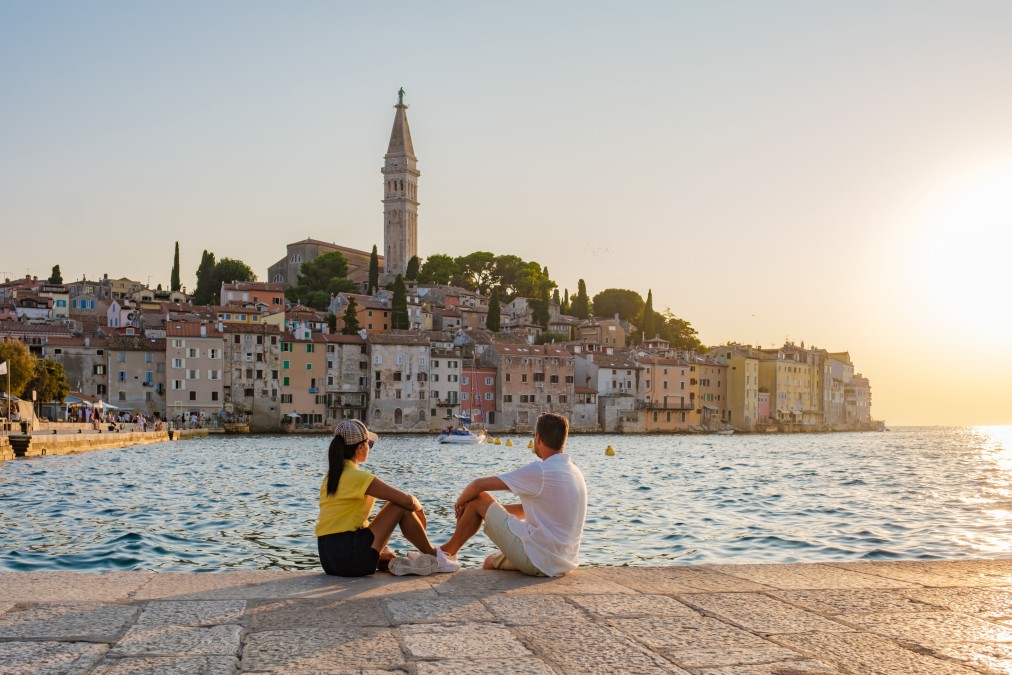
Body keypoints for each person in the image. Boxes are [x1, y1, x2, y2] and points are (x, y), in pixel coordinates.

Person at [436, 412, 587, 577]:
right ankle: (446, 553)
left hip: (540, 559)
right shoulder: (574, 471)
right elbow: (528, 509)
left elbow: (477, 485)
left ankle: (444, 554)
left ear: (538, 438)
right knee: (489, 562)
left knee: (479, 498)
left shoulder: (541, 470)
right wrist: (484, 511)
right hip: (562, 562)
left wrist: (460, 504)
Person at [316, 419, 451, 577]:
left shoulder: (330, 478)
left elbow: (349, 523)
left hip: (328, 559)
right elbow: (406, 500)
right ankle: (434, 556)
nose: (370, 448)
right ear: (360, 448)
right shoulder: (358, 476)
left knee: (384, 544)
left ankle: (386, 558)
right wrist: (419, 508)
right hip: (350, 558)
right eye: (369, 444)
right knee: (398, 506)